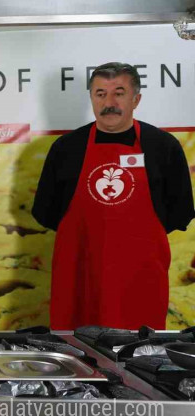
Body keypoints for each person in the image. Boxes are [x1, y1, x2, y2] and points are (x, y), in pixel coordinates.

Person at [33, 62, 195, 330]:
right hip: (80, 279)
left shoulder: (163, 147)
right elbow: (45, 212)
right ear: (91, 99)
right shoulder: (66, 149)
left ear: (136, 99)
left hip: (139, 282)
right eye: (100, 94)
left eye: (119, 93)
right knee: (78, 354)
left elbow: (180, 211)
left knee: (137, 357)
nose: (109, 102)